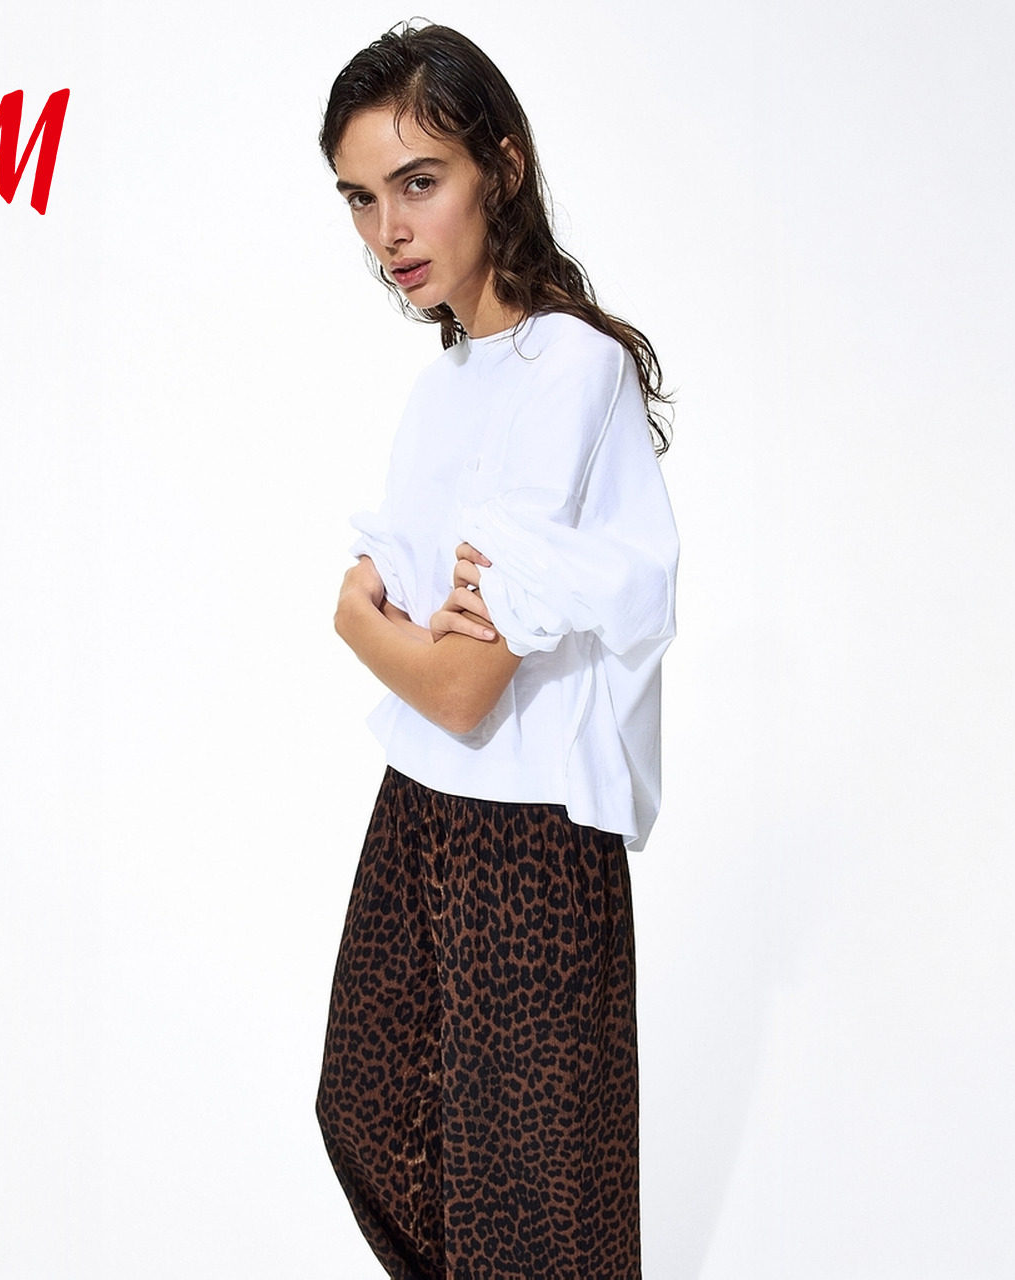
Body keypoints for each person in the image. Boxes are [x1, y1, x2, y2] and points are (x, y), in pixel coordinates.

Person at [315, 22, 678, 1280]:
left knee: (534, 1218)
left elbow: (464, 684)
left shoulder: (570, 366)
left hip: (528, 836)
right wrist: (407, 628)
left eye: (418, 183)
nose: (388, 231)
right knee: (369, 1116)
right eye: (360, 197)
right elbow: (439, 638)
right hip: (418, 807)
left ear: (502, 168)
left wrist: (355, 620)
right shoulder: (449, 381)